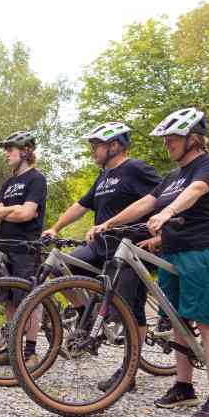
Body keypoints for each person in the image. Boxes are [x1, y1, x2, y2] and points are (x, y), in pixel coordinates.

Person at [89, 108, 209, 417]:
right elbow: (146, 203)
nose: (167, 144)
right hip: (174, 253)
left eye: (173, 138)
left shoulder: (207, 165)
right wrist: (108, 223)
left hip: (204, 251)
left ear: (192, 139)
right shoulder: (171, 177)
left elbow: (196, 192)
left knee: (208, 324)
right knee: (179, 320)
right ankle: (184, 386)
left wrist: (167, 215)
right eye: (166, 138)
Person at [41, 122, 162, 391]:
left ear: (115, 145)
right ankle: (86, 311)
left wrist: (160, 231)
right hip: (101, 245)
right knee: (61, 267)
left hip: (130, 247)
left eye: (96, 146)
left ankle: (128, 371)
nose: (92, 151)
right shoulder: (103, 176)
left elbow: (160, 197)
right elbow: (80, 206)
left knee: (130, 311)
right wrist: (55, 227)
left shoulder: (137, 169)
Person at [0, 131, 47, 369]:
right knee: (9, 301)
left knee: (29, 299)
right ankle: (12, 349)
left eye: (10, 149)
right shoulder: (8, 183)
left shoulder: (36, 179)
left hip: (26, 248)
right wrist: (12, 210)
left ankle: (30, 353)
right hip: (4, 247)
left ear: (26, 151)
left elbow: (27, 213)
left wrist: (6, 211)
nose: (6, 154)